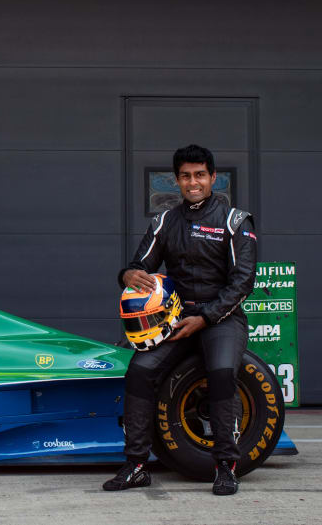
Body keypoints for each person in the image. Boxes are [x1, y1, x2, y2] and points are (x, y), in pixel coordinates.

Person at [103, 144, 257, 496]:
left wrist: (205, 317)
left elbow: (243, 282)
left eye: (200, 175)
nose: (193, 182)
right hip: (174, 319)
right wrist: (127, 275)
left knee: (221, 373)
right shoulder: (164, 222)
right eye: (186, 176)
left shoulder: (235, 221)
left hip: (222, 319)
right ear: (176, 180)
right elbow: (139, 266)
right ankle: (137, 465)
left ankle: (226, 466)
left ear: (213, 177)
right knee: (140, 371)